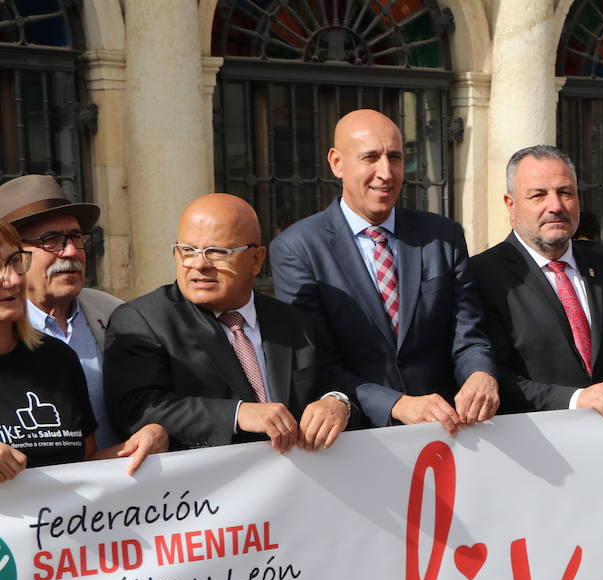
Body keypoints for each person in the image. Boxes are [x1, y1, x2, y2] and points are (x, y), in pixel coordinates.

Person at [270, 108, 499, 435]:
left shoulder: (442, 236)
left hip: (449, 432)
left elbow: (469, 334)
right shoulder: (298, 248)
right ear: (336, 163)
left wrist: (480, 373)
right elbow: (315, 361)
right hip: (359, 437)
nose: (386, 172)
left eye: (394, 157)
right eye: (370, 158)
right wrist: (395, 404)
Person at [103, 194, 351, 454]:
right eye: (187, 251)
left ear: (256, 260)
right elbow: (136, 409)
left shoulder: (294, 323)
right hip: (204, 489)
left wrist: (337, 402)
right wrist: (237, 414)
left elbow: (331, 384)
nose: (199, 265)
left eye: (217, 253)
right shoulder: (142, 320)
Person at [471, 146, 603, 419]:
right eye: (538, 195)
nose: (555, 206)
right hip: (534, 448)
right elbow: (492, 377)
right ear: (511, 204)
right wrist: (576, 399)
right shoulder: (481, 276)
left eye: (565, 192)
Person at [0, 219, 164, 482]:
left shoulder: (58, 358)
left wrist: (146, 440)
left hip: (72, 522)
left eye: (14, 262)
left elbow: (85, 463)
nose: (10, 279)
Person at [0, 174, 120, 447]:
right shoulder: (7, 332)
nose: (69, 252)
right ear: (17, 254)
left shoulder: (116, 314)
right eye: (50, 240)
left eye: (75, 237)